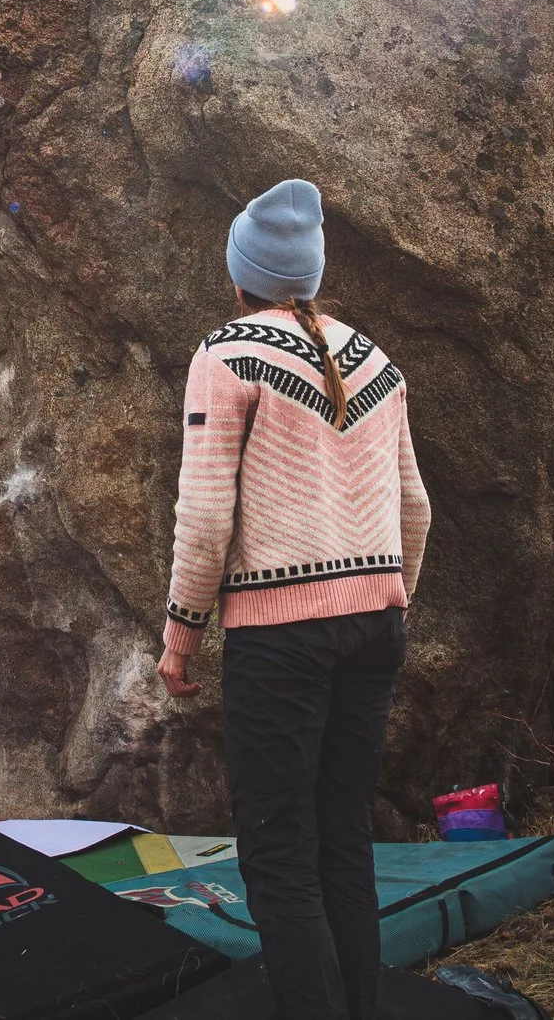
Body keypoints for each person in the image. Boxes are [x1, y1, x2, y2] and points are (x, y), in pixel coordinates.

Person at [156, 178, 431, 1020]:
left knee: (278, 852)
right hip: (376, 624)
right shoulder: (377, 361)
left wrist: (180, 636)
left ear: (243, 272)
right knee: (343, 840)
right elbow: (415, 505)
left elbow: (205, 515)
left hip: (283, 637)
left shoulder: (226, 354)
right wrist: (391, 603)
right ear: (308, 275)